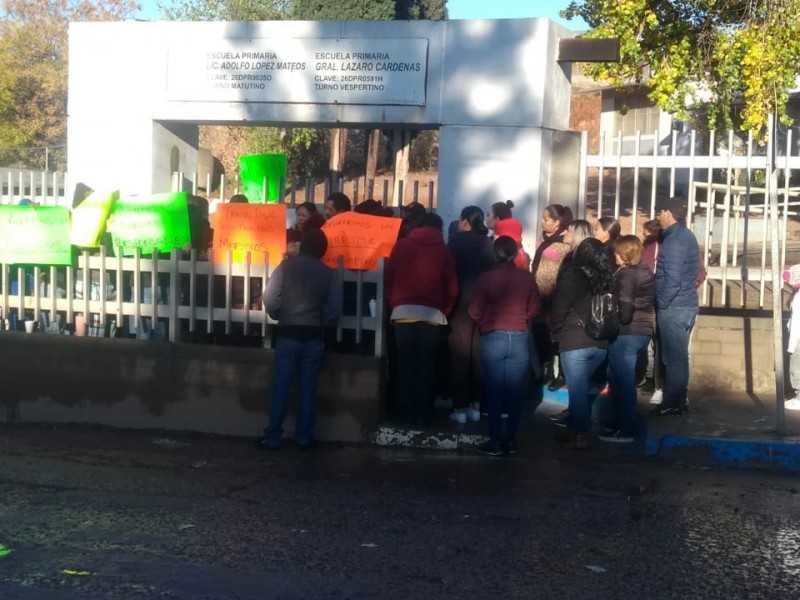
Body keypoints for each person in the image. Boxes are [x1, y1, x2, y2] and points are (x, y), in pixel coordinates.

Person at [259, 229, 342, 450]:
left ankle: (272, 436)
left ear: (302, 245)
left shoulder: (285, 267)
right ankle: (304, 437)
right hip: (313, 335)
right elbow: (334, 310)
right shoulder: (329, 273)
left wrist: (278, 314)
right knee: (308, 388)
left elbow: (269, 298)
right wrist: (322, 321)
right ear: (323, 250)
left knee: (281, 386)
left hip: (287, 332)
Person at [469, 236, 541, 456]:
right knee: (514, 392)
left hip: (493, 335)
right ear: (514, 254)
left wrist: (484, 323)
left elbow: (474, 310)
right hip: (519, 336)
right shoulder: (526, 278)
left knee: (495, 391)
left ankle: (495, 441)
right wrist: (521, 319)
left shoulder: (486, 278)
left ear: (495, 254)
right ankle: (511, 440)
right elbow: (535, 308)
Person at [385, 212, 458, 426]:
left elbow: (389, 277)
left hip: (402, 313)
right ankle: (422, 413)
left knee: (405, 365)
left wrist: (395, 303)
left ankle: (405, 414)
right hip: (432, 316)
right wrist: (444, 309)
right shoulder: (444, 251)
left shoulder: (402, 246)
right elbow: (452, 287)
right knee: (426, 367)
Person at [549, 238, 615, 449]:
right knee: (586, 388)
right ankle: (576, 427)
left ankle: (580, 433)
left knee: (577, 390)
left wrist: (557, 331)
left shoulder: (573, 276)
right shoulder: (607, 277)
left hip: (574, 340)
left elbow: (559, 308)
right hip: (600, 341)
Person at [599, 235, 655, 443]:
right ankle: (618, 422)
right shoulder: (645, 270)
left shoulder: (627, 275)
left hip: (627, 332)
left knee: (622, 382)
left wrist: (613, 319)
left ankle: (625, 429)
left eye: (616, 252)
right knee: (619, 379)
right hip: (643, 330)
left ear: (625, 254)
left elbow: (626, 307)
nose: (613, 255)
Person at [651, 196, 700, 417]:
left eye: (660, 212)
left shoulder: (676, 240)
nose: (658, 217)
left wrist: (662, 303)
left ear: (668, 213)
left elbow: (672, 278)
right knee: (677, 357)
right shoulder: (681, 236)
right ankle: (677, 401)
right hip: (682, 304)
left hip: (675, 307)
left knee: (673, 359)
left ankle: (672, 403)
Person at [447, 206, 495, 424]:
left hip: (460, 304)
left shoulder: (456, 241)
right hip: (484, 304)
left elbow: (448, 270)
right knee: (479, 357)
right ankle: (477, 405)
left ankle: (459, 408)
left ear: (465, 221)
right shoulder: (488, 243)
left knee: (459, 355)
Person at [530, 204, 572, 388]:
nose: (542, 222)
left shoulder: (565, 242)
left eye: (546, 219)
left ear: (557, 223)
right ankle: (544, 370)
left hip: (556, 298)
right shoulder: (544, 239)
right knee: (540, 334)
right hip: (539, 297)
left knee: (558, 336)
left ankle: (562, 374)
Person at [783, 265, 800, 411]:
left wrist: (791, 345)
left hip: (798, 338)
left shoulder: (798, 297)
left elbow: (796, 323)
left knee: (797, 366)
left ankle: (799, 398)